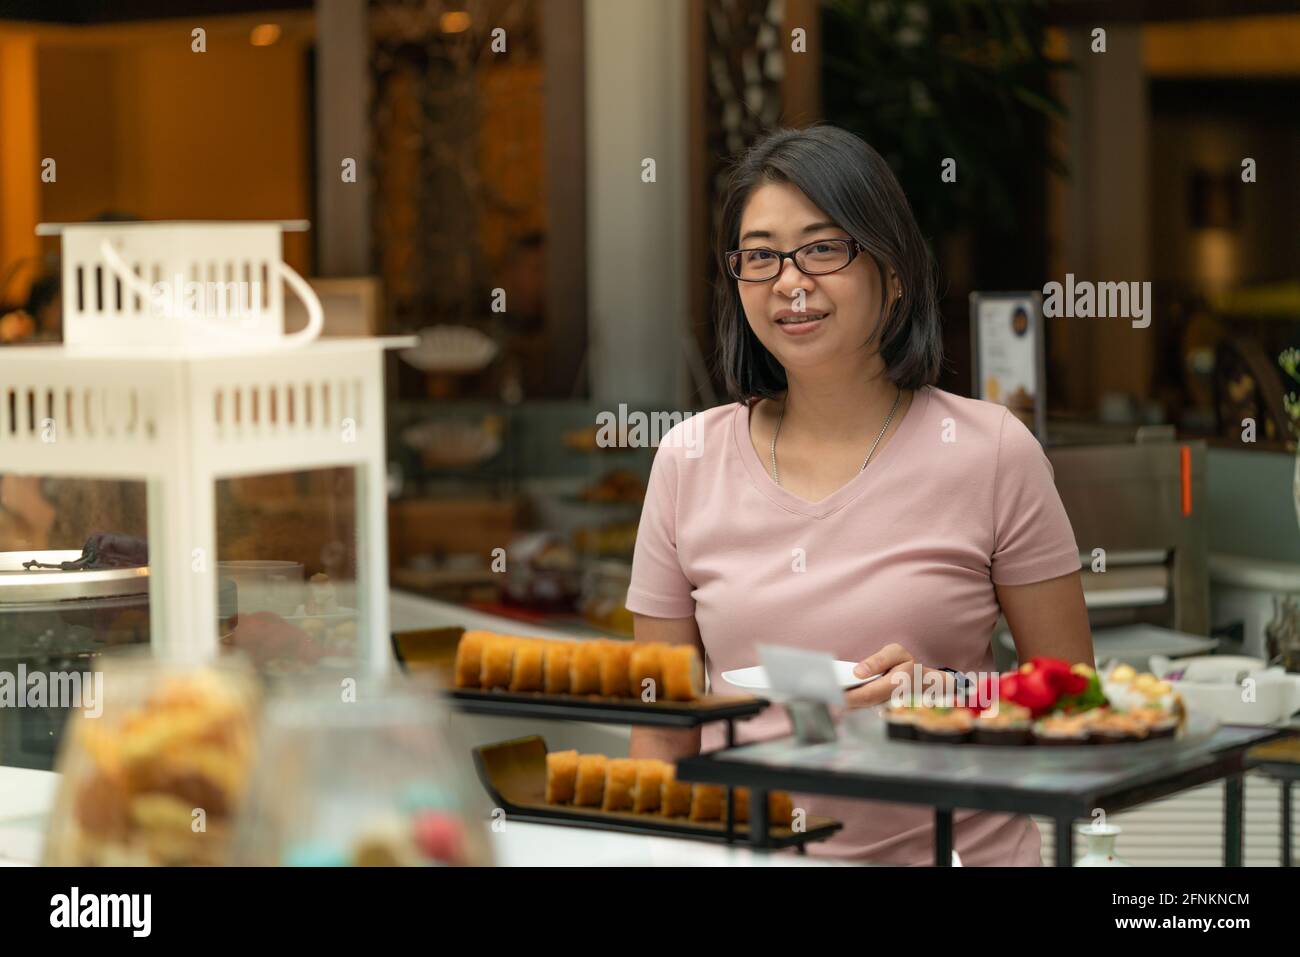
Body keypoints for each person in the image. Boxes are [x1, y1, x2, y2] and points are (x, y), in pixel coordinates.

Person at [624, 125, 1092, 866]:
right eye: (761, 254)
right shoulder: (688, 458)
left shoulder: (993, 451)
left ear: (895, 270)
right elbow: (661, 730)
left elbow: (1077, 704)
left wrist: (951, 696)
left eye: (822, 247)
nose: (790, 280)